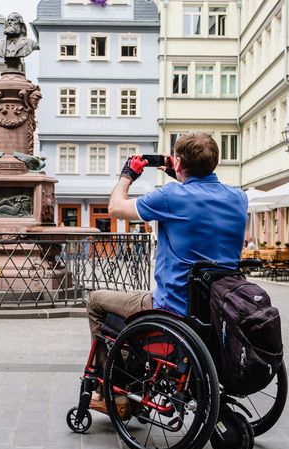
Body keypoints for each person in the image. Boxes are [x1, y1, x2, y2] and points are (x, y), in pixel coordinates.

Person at [86, 133, 248, 411]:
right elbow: (201, 195)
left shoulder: (172, 195)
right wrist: (184, 173)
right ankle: (134, 377)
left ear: (180, 163)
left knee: (96, 301)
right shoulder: (238, 197)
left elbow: (115, 207)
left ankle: (116, 390)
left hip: (173, 306)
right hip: (219, 305)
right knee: (132, 302)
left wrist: (128, 174)